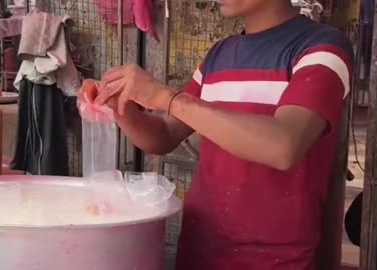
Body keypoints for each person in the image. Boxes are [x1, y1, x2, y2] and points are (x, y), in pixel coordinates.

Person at [78, 0, 354, 269]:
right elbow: (163, 135)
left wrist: (166, 97)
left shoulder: (322, 48)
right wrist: (119, 107)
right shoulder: (219, 55)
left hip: (275, 259)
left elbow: (284, 146)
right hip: (200, 250)